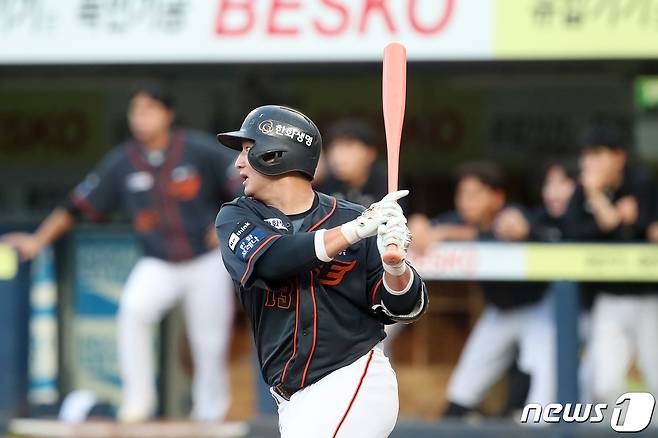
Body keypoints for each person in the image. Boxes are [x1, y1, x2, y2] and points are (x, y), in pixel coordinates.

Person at [2, 85, 236, 423]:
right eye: (135, 111)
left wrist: (226, 225)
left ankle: (210, 414)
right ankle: (138, 403)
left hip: (206, 260)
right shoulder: (123, 161)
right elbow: (77, 205)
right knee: (133, 311)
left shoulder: (198, 149)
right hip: (159, 262)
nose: (140, 118)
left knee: (209, 340)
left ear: (167, 114)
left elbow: (246, 185)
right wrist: (39, 240)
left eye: (149, 110)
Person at [214, 105, 427, 437]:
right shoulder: (237, 217)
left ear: (276, 155)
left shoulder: (354, 219)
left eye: (247, 150)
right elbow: (272, 259)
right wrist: (354, 231)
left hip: (352, 378)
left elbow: (400, 307)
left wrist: (395, 264)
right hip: (292, 399)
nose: (239, 163)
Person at [409, 162, 555, 418]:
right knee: (461, 392)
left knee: (542, 398)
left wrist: (445, 232)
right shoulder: (459, 220)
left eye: (474, 195)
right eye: (461, 194)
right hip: (499, 313)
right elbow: (423, 230)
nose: (465, 202)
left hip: (540, 311)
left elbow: (508, 230)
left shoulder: (513, 215)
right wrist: (421, 223)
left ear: (497, 197)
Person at [564, 121, 658, 407]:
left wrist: (614, 220)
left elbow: (643, 230)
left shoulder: (640, 182)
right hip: (608, 298)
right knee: (604, 385)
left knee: (655, 378)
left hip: (649, 298)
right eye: (586, 154)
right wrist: (600, 202)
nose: (589, 162)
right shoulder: (583, 191)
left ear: (619, 157)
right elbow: (575, 234)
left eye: (598, 153)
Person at [317, 119, 388, 207]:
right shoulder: (325, 182)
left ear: (370, 153)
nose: (337, 155)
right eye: (333, 147)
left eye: (348, 146)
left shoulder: (385, 181)